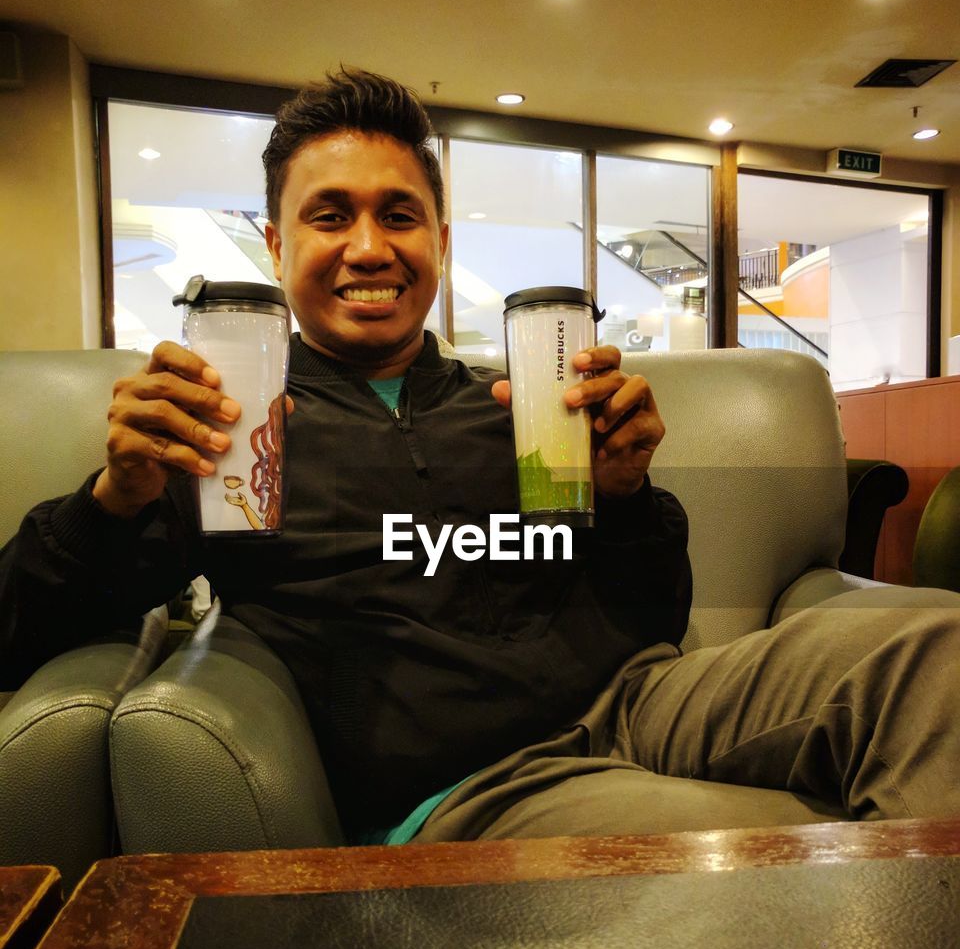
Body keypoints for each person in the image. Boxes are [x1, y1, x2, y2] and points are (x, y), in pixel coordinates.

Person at [2, 69, 959, 847]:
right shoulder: (230, 433)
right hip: (477, 786)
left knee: (937, 650)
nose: (368, 247)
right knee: (735, 851)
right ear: (276, 240)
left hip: (642, 701)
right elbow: (18, 632)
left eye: (400, 215)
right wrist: (115, 497)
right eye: (330, 216)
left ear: (442, 242)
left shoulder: (513, 407)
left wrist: (626, 497)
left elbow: (651, 617)